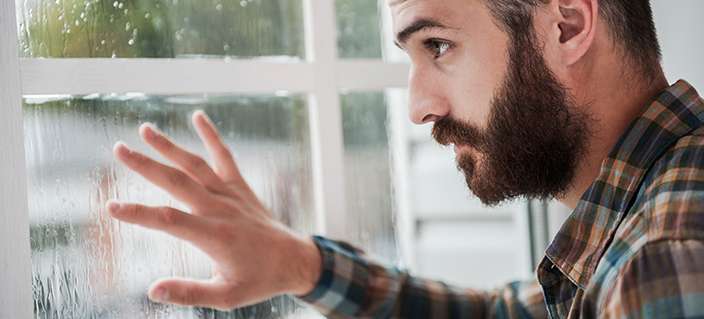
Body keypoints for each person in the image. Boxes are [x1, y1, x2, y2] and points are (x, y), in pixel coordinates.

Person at [106, 0, 704, 317]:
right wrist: (301, 264)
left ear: (567, 24)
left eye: (438, 45)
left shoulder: (660, 264)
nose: (419, 107)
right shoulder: (637, 216)